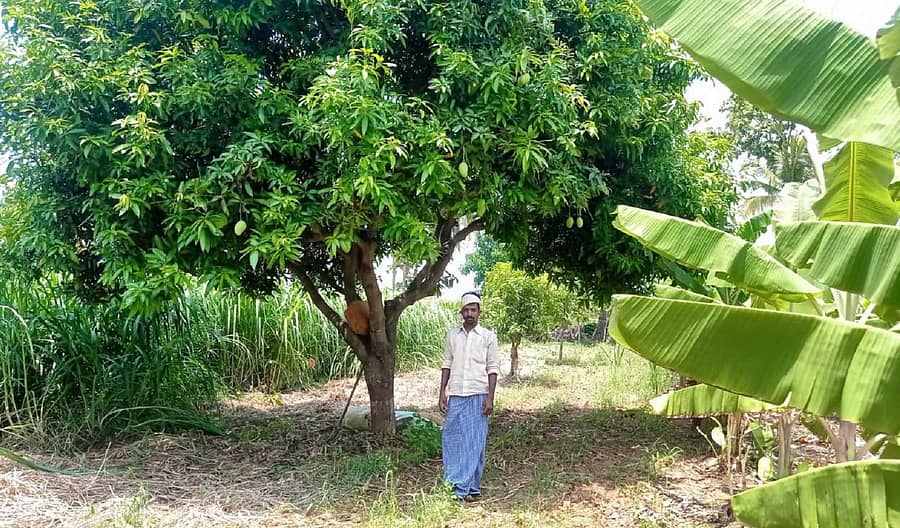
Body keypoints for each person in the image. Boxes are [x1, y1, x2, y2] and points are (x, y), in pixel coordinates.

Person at [439, 291, 499, 501]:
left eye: (473, 309)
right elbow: (447, 364)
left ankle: (466, 487)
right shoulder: (452, 335)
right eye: (466, 310)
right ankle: (458, 482)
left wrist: (490, 398)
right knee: (452, 437)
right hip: (456, 393)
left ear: (479, 311)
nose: (470, 313)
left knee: (474, 441)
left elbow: (493, 369)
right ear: (461, 312)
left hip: (478, 393)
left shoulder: (488, 337)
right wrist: (442, 393)